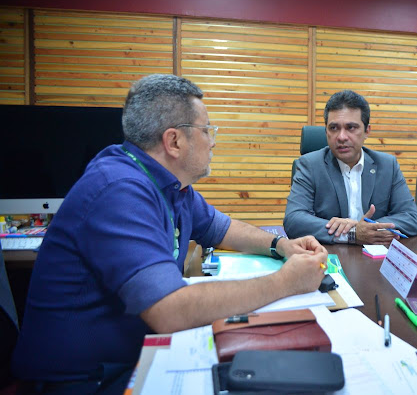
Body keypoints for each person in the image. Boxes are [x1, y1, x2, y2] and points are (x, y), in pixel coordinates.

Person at [11, 74, 328, 394]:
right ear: (174, 141)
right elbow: (169, 311)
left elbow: (221, 228)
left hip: (128, 358)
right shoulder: (119, 190)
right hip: (84, 380)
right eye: (206, 130)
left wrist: (280, 245)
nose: (212, 141)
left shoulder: (168, 184)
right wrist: (287, 282)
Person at [284, 90, 417, 245]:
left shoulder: (387, 165)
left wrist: (368, 229)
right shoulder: (310, 165)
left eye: (351, 127)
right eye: (334, 128)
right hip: (328, 254)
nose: (341, 137)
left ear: (367, 131)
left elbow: (411, 218)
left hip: (376, 255)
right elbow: (294, 220)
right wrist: (353, 233)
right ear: (326, 131)